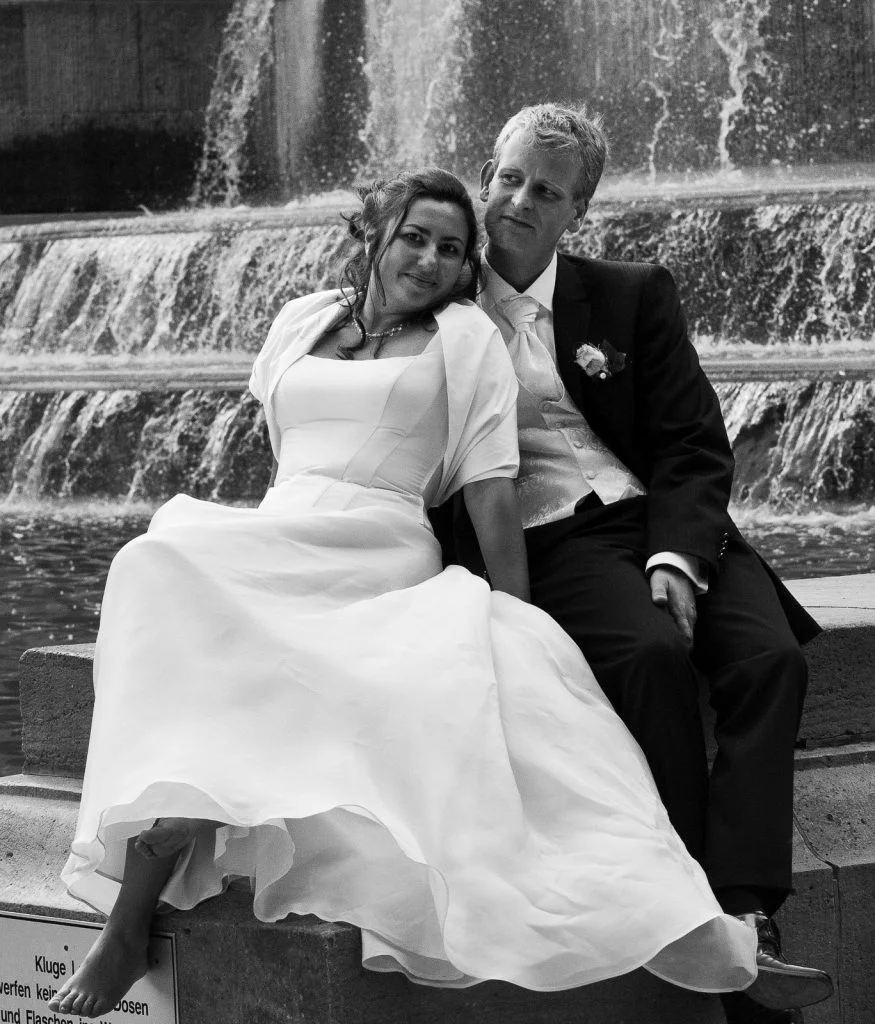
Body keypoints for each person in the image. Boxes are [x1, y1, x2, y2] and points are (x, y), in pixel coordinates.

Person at [49, 167, 758, 1020]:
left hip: (377, 541)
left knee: (173, 581)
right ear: (372, 234)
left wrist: (518, 615)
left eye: (451, 249)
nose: (430, 259)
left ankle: (132, 917)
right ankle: (146, 883)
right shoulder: (300, 321)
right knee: (152, 562)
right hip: (286, 530)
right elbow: (287, 451)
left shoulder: (464, 338)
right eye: (414, 237)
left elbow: (491, 491)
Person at [457, 102, 834, 1024]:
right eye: (507, 178)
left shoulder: (628, 293)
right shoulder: (441, 299)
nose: (517, 200)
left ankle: (742, 909)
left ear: (577, 209)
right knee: (652, 662)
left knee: (766, 660)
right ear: (485, 176)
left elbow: (694, 446)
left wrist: (676, 555)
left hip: (661, 521)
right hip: (552, 539)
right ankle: (695, 917)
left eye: (545, 190)